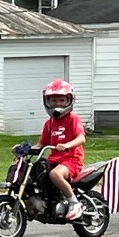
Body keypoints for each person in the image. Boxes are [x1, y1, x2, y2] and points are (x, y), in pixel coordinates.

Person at [37, 78, 86, 221]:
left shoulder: (73, 119)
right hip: (54, 160)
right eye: (53, 101)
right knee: (36, 172)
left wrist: (67, 145)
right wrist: (23, 149)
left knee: (55, 175)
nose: (57, 104)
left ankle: (74, 203)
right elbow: (41, 144)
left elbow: (81, 138)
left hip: (71, 160)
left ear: (69, 100)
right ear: (47, 101)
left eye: (61, 100)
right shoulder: (49, 123)